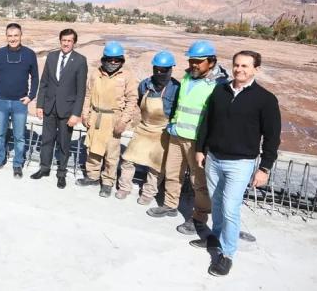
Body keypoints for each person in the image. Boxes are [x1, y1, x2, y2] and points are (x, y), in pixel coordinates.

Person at [193, 50, 281, 276]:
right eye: (237, 65)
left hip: (241, 163)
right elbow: (207, 123)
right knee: (217, 204)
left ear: (255, 69)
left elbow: (272, 138)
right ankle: (218, 239)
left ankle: (227, 254)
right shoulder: (219, 91)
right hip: (214, 159)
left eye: (245, 66)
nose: (239, 70)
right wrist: (200, 149)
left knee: (230, 208)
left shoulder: (266, 99)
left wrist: (264, 167)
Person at [147, 40, 229, 236]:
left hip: (197, 141)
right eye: (192, 60)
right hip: (177, 134)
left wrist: (206, 143)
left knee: (198, 181)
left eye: (198, 61)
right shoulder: (186, 77)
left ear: (211, 62)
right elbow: (180, 104)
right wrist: (173, 123)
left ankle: (199, 217)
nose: (194, 64)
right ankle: (169, 205)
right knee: (173, 173)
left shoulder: (219, 84)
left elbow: (217, 117)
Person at [116, 51, 180, 203]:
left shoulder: (176, 88)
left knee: (156, 166)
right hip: (144, 127)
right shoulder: (145, 84)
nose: (159, 73)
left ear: (171, 69)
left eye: (163, 70)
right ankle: (124, 187)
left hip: (162, 130)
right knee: (128, 159)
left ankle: (148, 193)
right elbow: (139, 104)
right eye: (156, 69)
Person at [77, 41, 138, 197]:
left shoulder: (127, 76)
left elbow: (132, 100)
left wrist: (123, 121)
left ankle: (108, 182)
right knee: (93, 149)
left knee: (111, 153)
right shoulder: (95, 73)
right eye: (110, 59)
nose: (113, 62)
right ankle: (92, 176)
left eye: (116, 60)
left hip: (113, 119)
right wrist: (85, 114)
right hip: (96, 116)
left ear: (121, 60)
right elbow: (88, 95)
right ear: (104, 59)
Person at [0, 23, 39, 179]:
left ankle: (18, 164)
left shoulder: (29, 54)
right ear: (6, 37)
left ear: (21, 36)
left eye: (16, 35)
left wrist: (31, 96)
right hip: (2, 102)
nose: (13, 39)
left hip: (20, 103)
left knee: (19, 136)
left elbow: (35, 77)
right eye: (10, 36)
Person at [31, 28, 87, 189]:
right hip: (49, 107)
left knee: (64, 143)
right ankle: (44, 168)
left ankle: (61, 174)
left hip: (67, 111)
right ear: (60, 41)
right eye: (64, 40)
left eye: (69, 41)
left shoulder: (80, 60)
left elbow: (81, 90)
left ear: (74, 42)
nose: (66, 43)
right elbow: (44, 83)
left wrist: (76, 114)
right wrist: (40, 105)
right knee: (47, 140)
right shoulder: (52, 57)